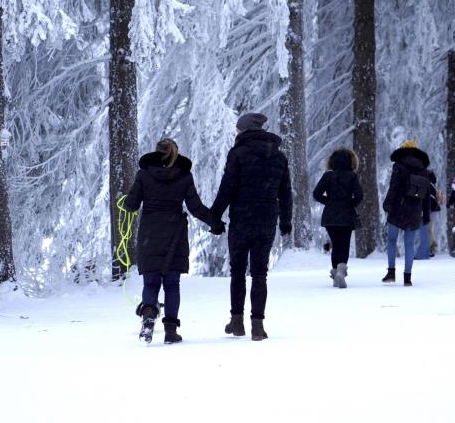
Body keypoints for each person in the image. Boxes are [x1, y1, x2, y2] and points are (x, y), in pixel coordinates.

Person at [124, 138, 222, 344]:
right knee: (172, 284)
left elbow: (131, 205)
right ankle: (170, 331)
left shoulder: (144, 174)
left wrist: (129, 197)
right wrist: (215, 223)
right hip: (175, 235)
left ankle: (148, 320)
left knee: (150, 282)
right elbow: (195, 207)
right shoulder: (184, 176)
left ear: (156, 151)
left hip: (150, 234)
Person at [211, 112, 293, 341]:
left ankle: (237, 322)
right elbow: (285, 193)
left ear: (245, 130)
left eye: (238, 129)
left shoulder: (238, 154)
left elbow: (227, 188)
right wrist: (286, 220)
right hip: (266, 220)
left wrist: (214, 216)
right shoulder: (279, 157)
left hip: (241, 219)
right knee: (259, 274)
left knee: (237, 271)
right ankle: (258, 326)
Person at [381, 140, 431, 286]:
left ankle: (391, 273)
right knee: (409, 244)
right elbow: (427, 194)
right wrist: (426, 215)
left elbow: (393, 187)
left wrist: (387, 204)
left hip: (397, 208)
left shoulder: (399, 166)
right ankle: (407, 277)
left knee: (391, 241)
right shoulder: (423, 169)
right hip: (415, 210)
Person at [313, 148, 363, 288]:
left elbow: (316, 194)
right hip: (346, 215)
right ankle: (341, 271)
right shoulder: (352, 176)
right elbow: (359, 196)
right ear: (351, 161)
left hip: (329, 215)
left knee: (335, 245)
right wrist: (350, 203)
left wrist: (328, 202)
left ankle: (335, 273)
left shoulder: (327, 176)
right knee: (344, 244)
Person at [416, 170, 439, 259]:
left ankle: (429, 251)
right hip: (431, 210)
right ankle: (429, 250)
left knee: (427, 231)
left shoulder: (427, 185)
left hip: (429, 210)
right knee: (429, 231)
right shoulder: (432, 185)